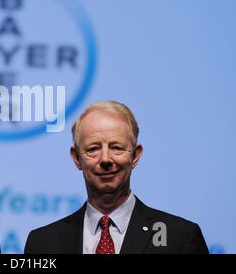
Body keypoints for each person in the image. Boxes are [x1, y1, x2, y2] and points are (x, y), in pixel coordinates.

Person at [24, 100, 208, 254]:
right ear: (76, 158)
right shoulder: (42, 244)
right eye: (93, 149)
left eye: (116, 147)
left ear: (135, 155)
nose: (105, 159)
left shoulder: (180, 238)